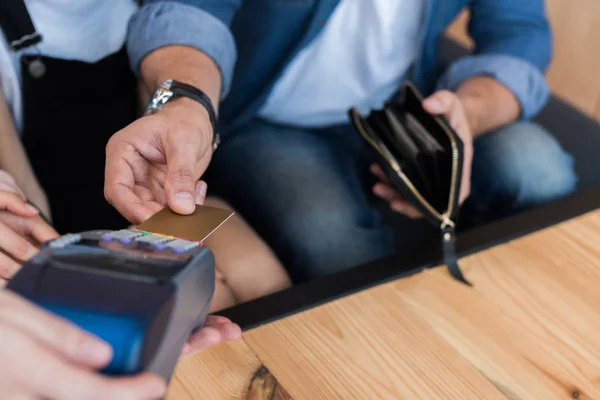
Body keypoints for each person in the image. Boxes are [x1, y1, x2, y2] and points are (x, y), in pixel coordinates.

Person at [105, 0, 577, 283]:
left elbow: (520, 32)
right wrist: (187, 102)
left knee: (541, 171)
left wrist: (467, 114)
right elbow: (189, 11)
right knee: (336, 247)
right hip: (269, 116)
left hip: (402, 106)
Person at [0, 1, 290, 307]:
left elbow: (156, 129)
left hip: (152, 203)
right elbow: (25, 192)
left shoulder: (142, 12)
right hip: (68, 231)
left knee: (263, 277)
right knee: (204, 301)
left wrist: (168, 230)